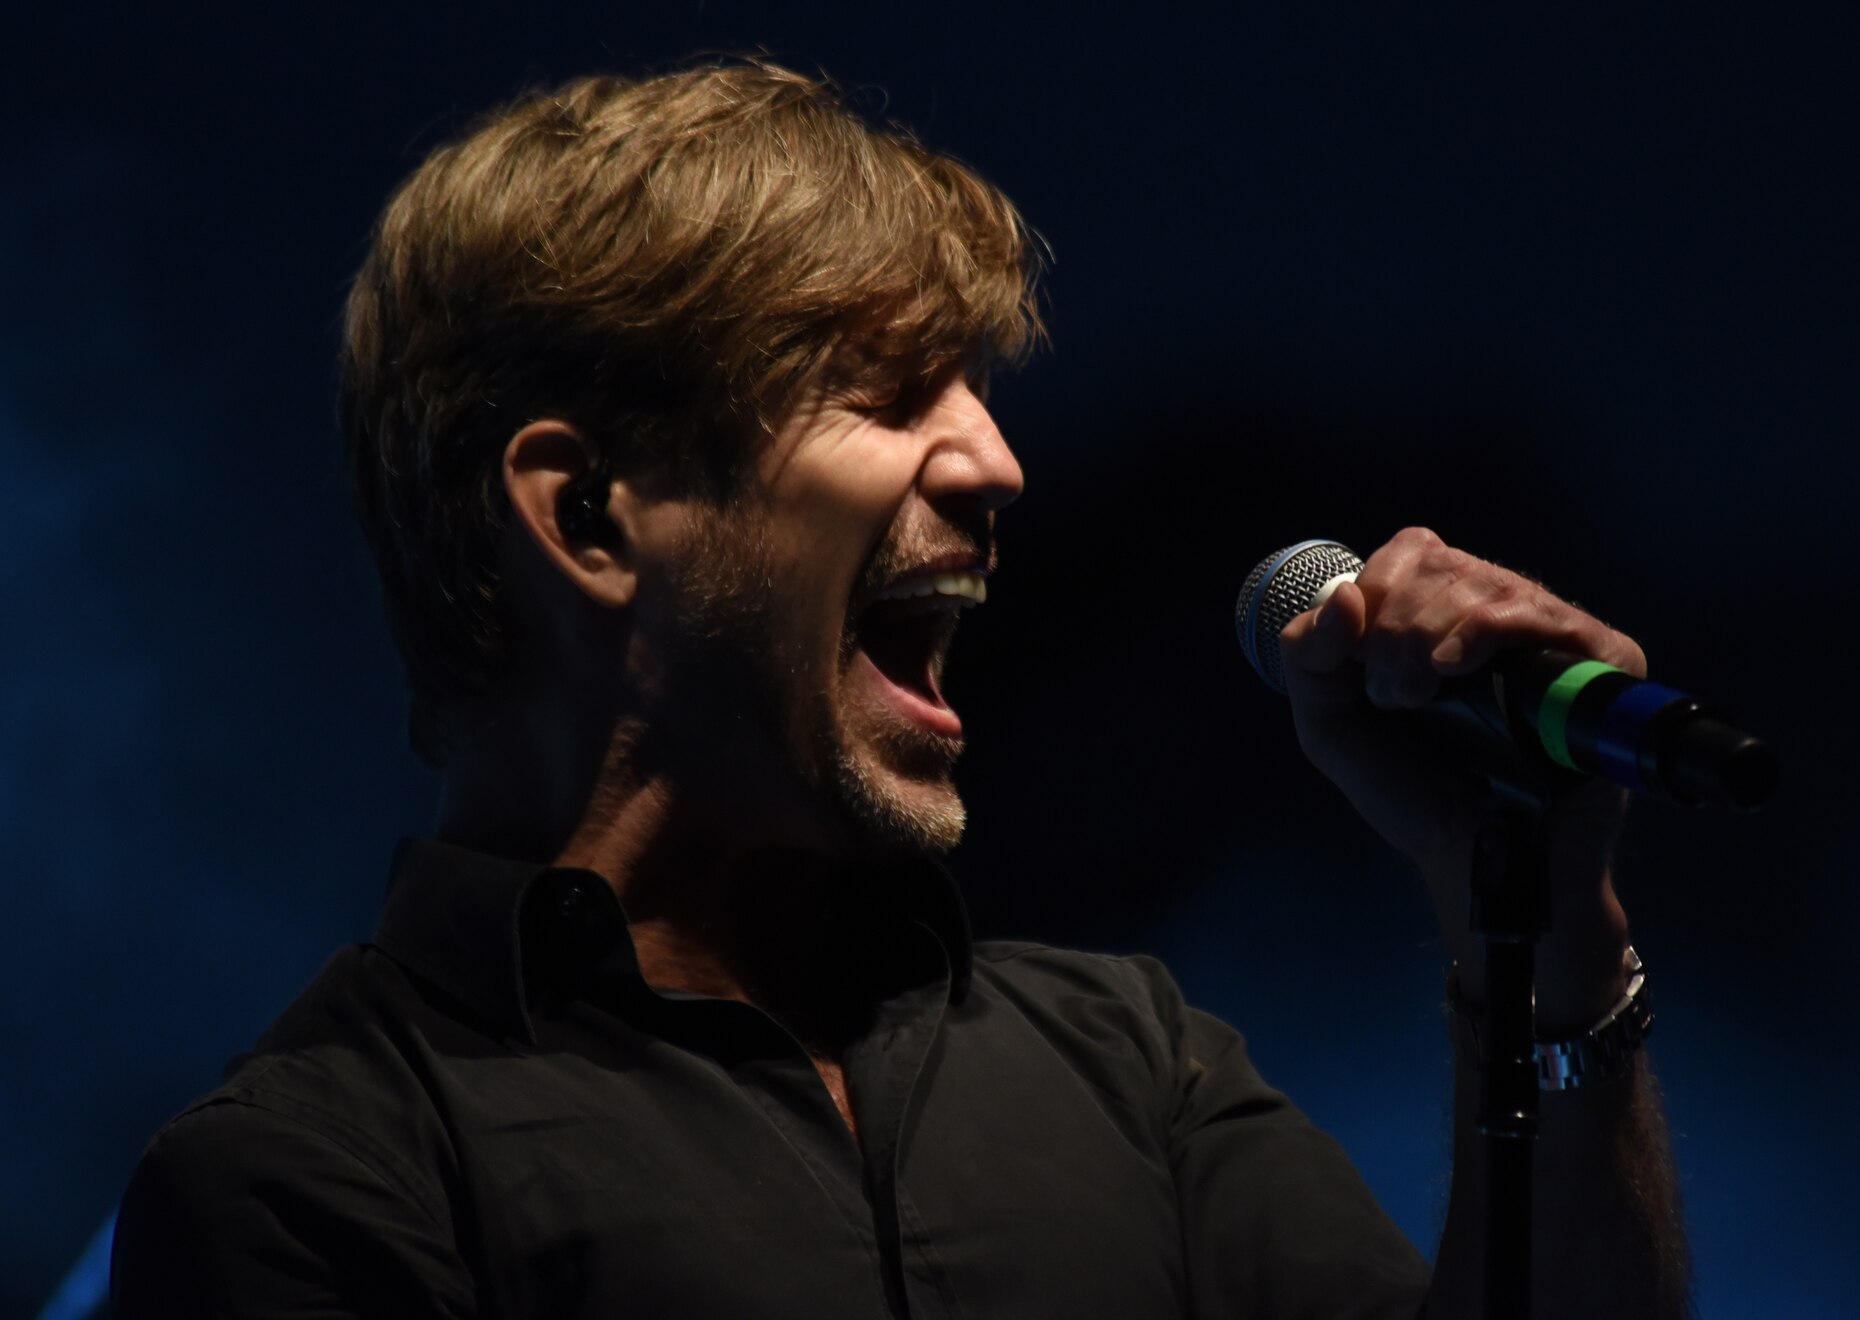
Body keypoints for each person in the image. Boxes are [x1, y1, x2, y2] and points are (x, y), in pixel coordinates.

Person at [110, 59, 1688, 1318]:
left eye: (978, 393)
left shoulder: (1129, 1064)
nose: (997, 462)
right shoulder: (320, 1177)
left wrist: (1552, 934)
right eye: (881, 390)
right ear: (588, 517)